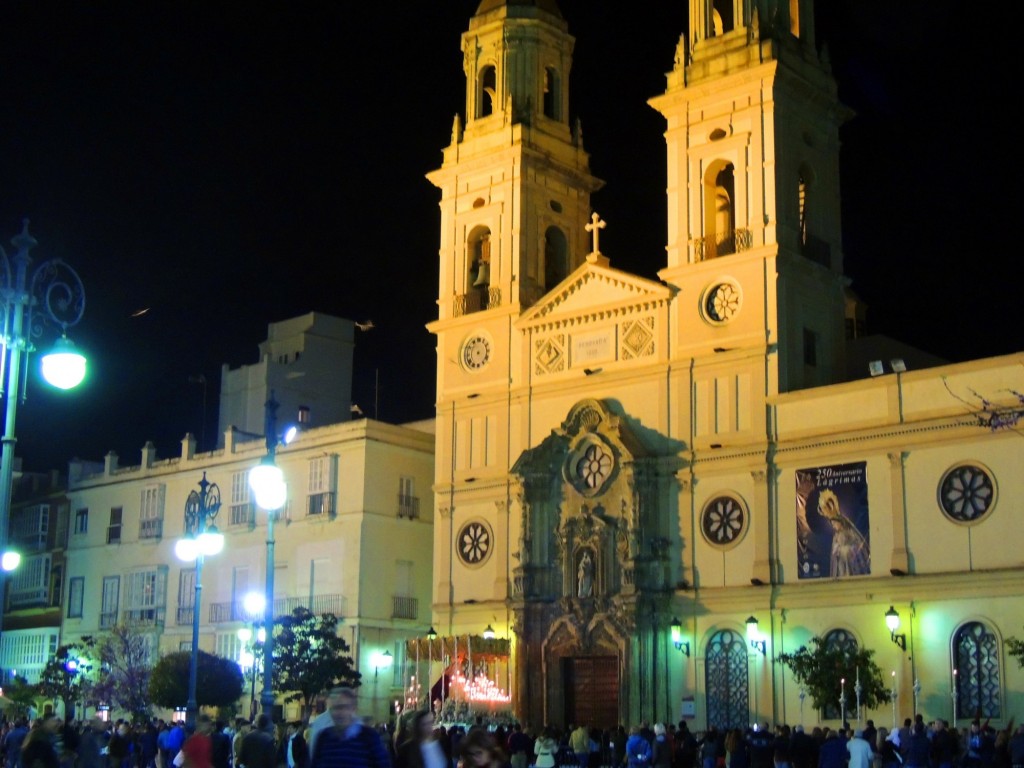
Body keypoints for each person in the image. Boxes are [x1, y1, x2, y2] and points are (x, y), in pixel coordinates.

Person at [308, 687, 391, 768]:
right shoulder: (324, 737)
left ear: (353, 709)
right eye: (333, 708)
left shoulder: (369, 737)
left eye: (342, 707)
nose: (338, 713)